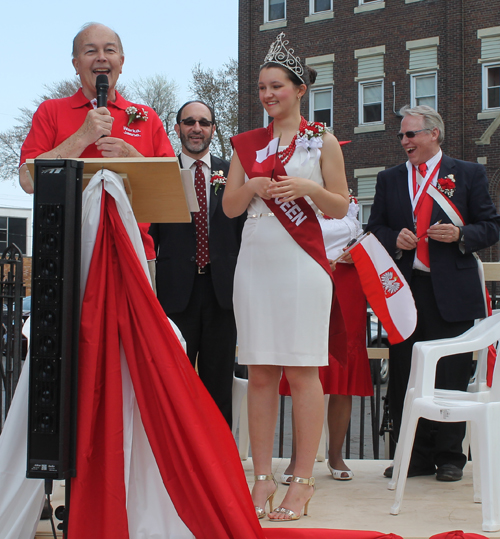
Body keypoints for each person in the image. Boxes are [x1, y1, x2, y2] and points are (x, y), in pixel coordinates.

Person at [223, 32, 349, 521]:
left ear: (300, 89)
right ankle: (261, 478)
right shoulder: (247, 144)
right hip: (255, 261)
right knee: (259, 372)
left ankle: (301, 481)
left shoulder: (322, 141)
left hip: (301, 265)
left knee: (301, 371)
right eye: (261, 88)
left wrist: (307, 188)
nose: (267, 95)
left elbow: (341, 204)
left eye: (276, 86)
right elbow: (231, 207)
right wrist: (254, 183)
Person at [366, 105, 500, 482]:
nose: (404, 142)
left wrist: (461, 235)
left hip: (453, 292)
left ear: (433, 134)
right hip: (405, 293)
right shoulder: (389, 178)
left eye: (411, 134)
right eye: (401, 136)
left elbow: (491, 226)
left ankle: (451, 458)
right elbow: (374, 226)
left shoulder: (468, 173)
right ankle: (413, 455)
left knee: (451, 375)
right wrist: (396, 237)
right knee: (406, 374)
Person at [18, 22, 175, 282]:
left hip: (134, 251)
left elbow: (172, 188)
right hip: (66, 250)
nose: (101, 57)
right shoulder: (50, 111)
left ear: (121, 62)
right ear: (76, 64)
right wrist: (81, 137)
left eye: (109, 50)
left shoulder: (146, 118)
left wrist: (131, 156)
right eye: (91, 51)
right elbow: (27, 179)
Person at [149, 101, 245, 428]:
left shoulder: (233, 173)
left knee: (219, 382)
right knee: (173, 381)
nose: (196, 128)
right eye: (188, 122)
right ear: (176, 128)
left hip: (223, 294)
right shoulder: (162, 173)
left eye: (204, 122)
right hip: (176, 295)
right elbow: (151, 236)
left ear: (213, 129)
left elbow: (244, 233)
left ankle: (219, 463)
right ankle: (177, 458)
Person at [279, 198, 374, 483]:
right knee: (304, 371)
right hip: (307, 281)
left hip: (347, 285)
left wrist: (356, 253)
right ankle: (297, 458)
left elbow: (371, 241)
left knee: (343, 373)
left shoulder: (352, 205)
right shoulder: (297, 201)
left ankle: (335, 455)